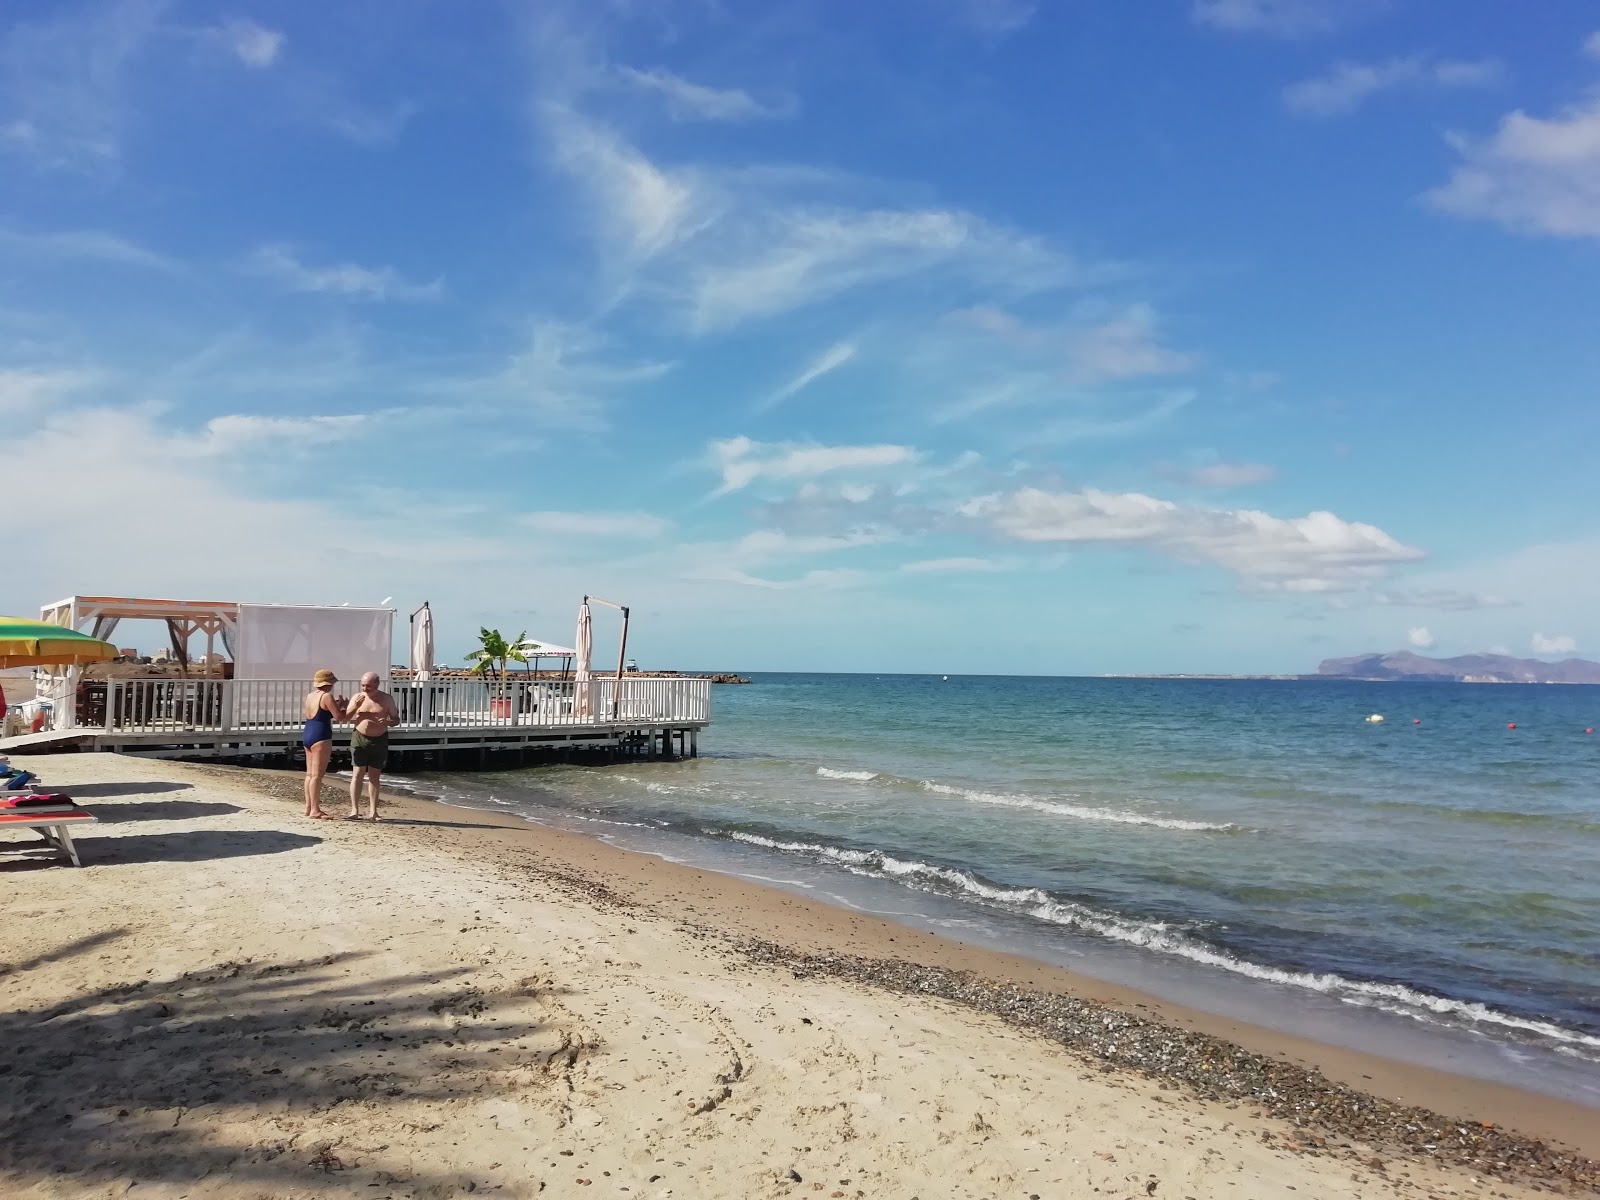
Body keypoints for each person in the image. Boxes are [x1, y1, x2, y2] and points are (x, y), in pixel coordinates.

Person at [345, 671, 399, 820]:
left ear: (377, 684)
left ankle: (373, 811)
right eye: (363, 685)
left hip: (379, 739)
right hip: (359, 737)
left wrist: (387, 722)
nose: (364, 688)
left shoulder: (386, 699)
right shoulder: (358, 697)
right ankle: (354, 810)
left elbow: (396, 719)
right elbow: (345, 718)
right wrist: (355, 707)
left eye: (368, 686)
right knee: (357, 773)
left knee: (374, 776)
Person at [301, 669, 346, 820]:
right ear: (329, 683)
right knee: (317, 776)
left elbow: (323, 711)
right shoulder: (326, 696)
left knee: (309, 775)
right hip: (321, 735)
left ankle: (308, 807)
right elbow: (339, 717)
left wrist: (337, 705)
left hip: (308, 733)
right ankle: (315, 810)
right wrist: (346, 707)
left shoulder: (310, 696)